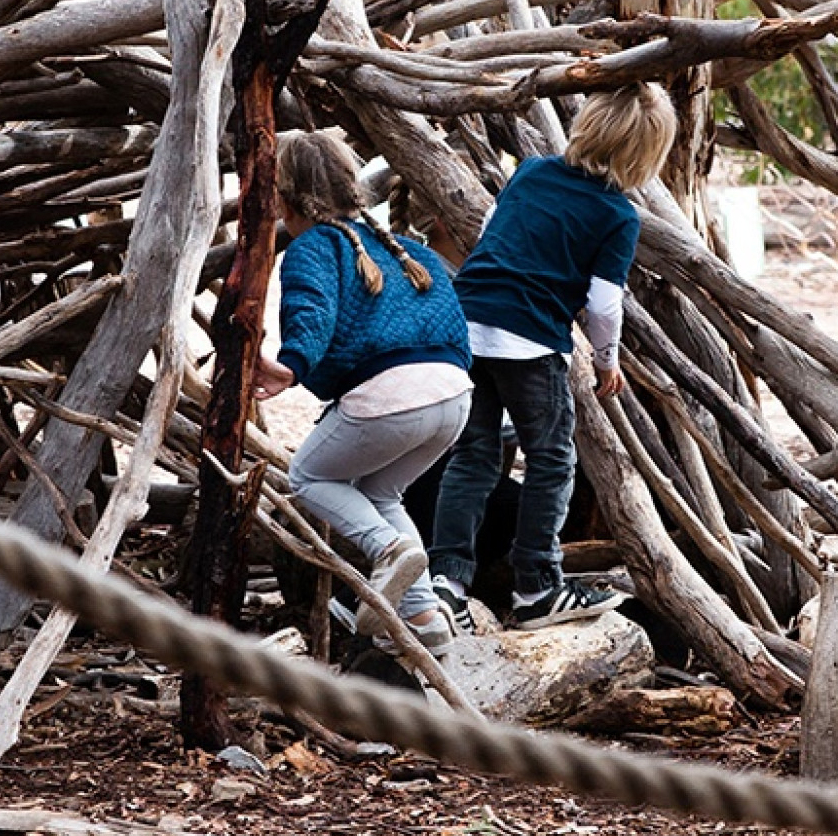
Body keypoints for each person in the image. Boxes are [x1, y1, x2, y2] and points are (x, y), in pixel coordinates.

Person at [428, 83, 678, 632]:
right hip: (529, 341)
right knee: (551, 459)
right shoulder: (617, 215)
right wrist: (607, 361)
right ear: (646, 153)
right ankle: (537, 585)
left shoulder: (532, 171)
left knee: (473, 456)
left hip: (467, 324)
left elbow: (490, 234)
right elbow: (604, 304)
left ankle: (446, 580)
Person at [256, 132, 473, 653]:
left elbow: (313, 311)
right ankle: (424, 617)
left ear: (283, 201)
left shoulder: (314, 247)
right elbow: (452, 322)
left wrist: (291, 367)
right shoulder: (408, 251)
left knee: (307, 475)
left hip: (391, 398)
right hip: (454, 396)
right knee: (381, 494)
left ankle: (387, 549)